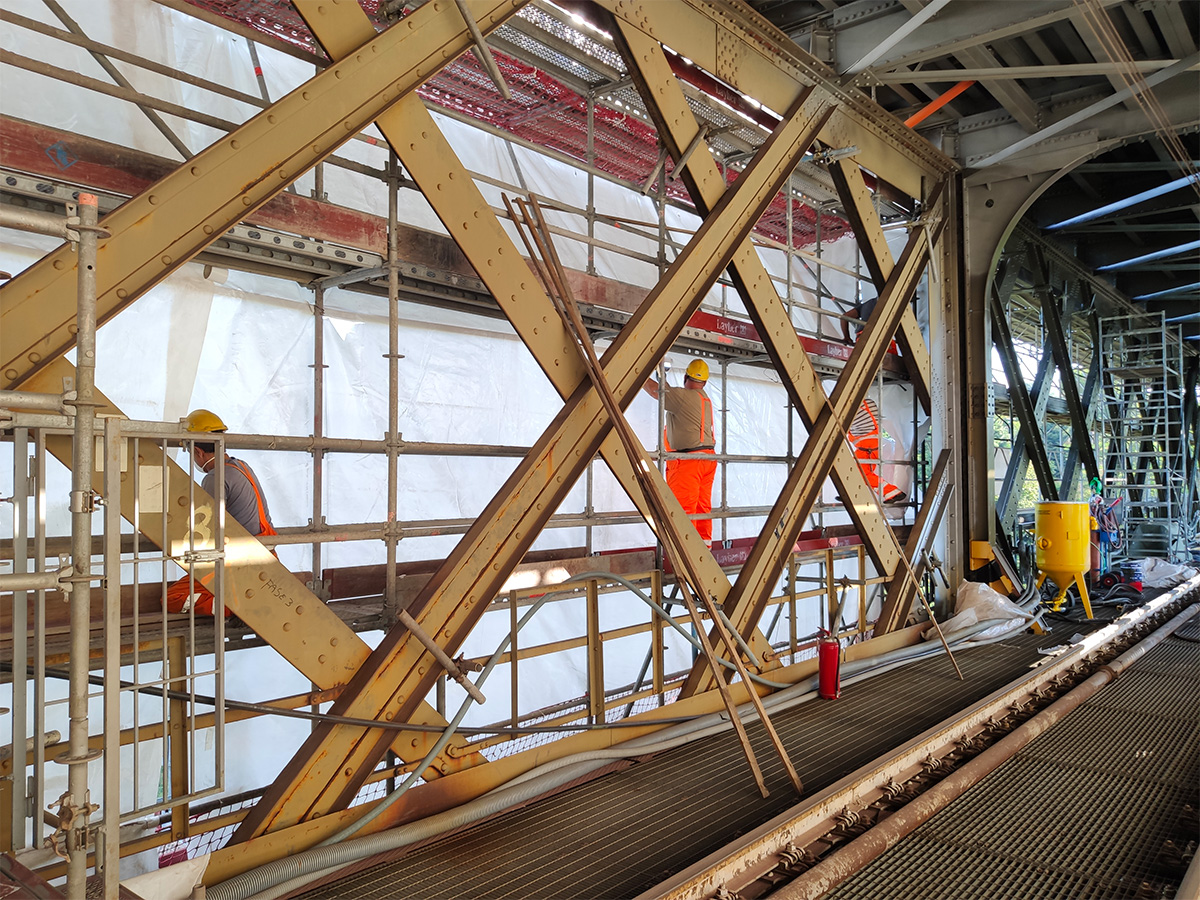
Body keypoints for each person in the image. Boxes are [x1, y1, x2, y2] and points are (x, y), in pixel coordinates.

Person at [165, 409, 277, 615]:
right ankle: (240, 602)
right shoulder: (242, 466)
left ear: (198, 452)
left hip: (243, 560)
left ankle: (236, 608)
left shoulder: (215, 478)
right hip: (266, 553)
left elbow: (207, 528)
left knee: (172, 598)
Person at [642, 359, 717, 543]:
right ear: (705, 382)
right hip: (707, 459)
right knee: (701, 508)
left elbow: (657, 391)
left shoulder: (683, 397)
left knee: (683, 511)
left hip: (689, 462)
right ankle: (703, 549)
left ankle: (685, 550)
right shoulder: (704, 398)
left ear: (685, 377)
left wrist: (639, 374)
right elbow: (668, 392)